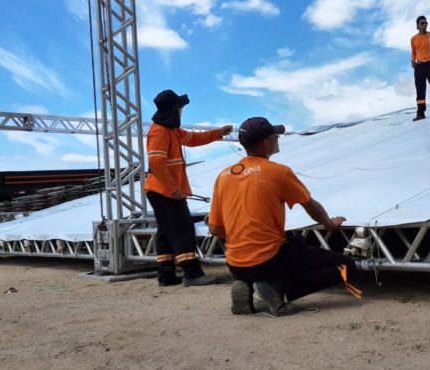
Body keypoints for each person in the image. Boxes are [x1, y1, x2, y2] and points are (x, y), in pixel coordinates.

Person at [207, 117, 361, 317]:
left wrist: (243, 240)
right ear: (266, 143)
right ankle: (276, 289)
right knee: (345, 266)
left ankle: (245, 283)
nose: (278, 138)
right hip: (269, 261)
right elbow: (310, 206)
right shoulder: (277, 172)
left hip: (236, 264)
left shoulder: (224, 175)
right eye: (275, 136)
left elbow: (215, 229)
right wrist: (330, 225)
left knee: (285, 252)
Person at [145, 89, 233, 287]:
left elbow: (193, 139)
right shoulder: (160, 131)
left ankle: (166, 276)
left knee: (166, 232)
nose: (182, 111)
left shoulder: (170, 130)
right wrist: (173, 188)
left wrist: (218, 133)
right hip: (165, 191)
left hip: (161, 191)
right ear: (173, 110)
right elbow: (156, 162)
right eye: (180, 107)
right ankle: (192, 274)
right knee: (182, 228)